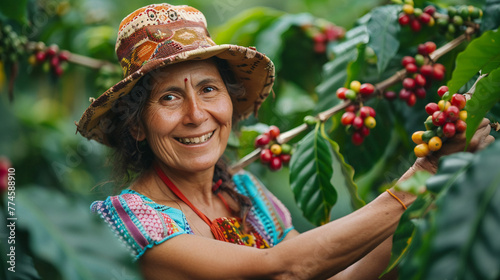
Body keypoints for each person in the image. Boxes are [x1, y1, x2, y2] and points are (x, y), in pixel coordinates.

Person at [76, 3, 495, 279]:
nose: (196, 115)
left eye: (208, 90)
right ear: (135, 125)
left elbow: (332, 276)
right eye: (169, 97)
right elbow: (284, 270)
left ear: (229, 101)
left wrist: (435, 184)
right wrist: (418, 177)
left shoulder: (245, 195)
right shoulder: (127, 220)